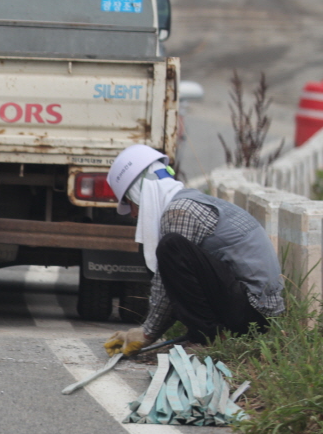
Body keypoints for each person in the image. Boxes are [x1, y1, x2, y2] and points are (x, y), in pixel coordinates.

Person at [103, 144, 284, 357]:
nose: (132, 214)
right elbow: (178, 286)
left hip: (254, 313)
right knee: (169, 251)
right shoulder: (191, 202)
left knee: (171, 247)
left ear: (137, 193)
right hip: (251, 309)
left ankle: (207, 338)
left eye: (129, 204)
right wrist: (148, 331)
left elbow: (164, 282)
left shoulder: (180, 211)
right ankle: (205, 333)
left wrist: (147, 333)